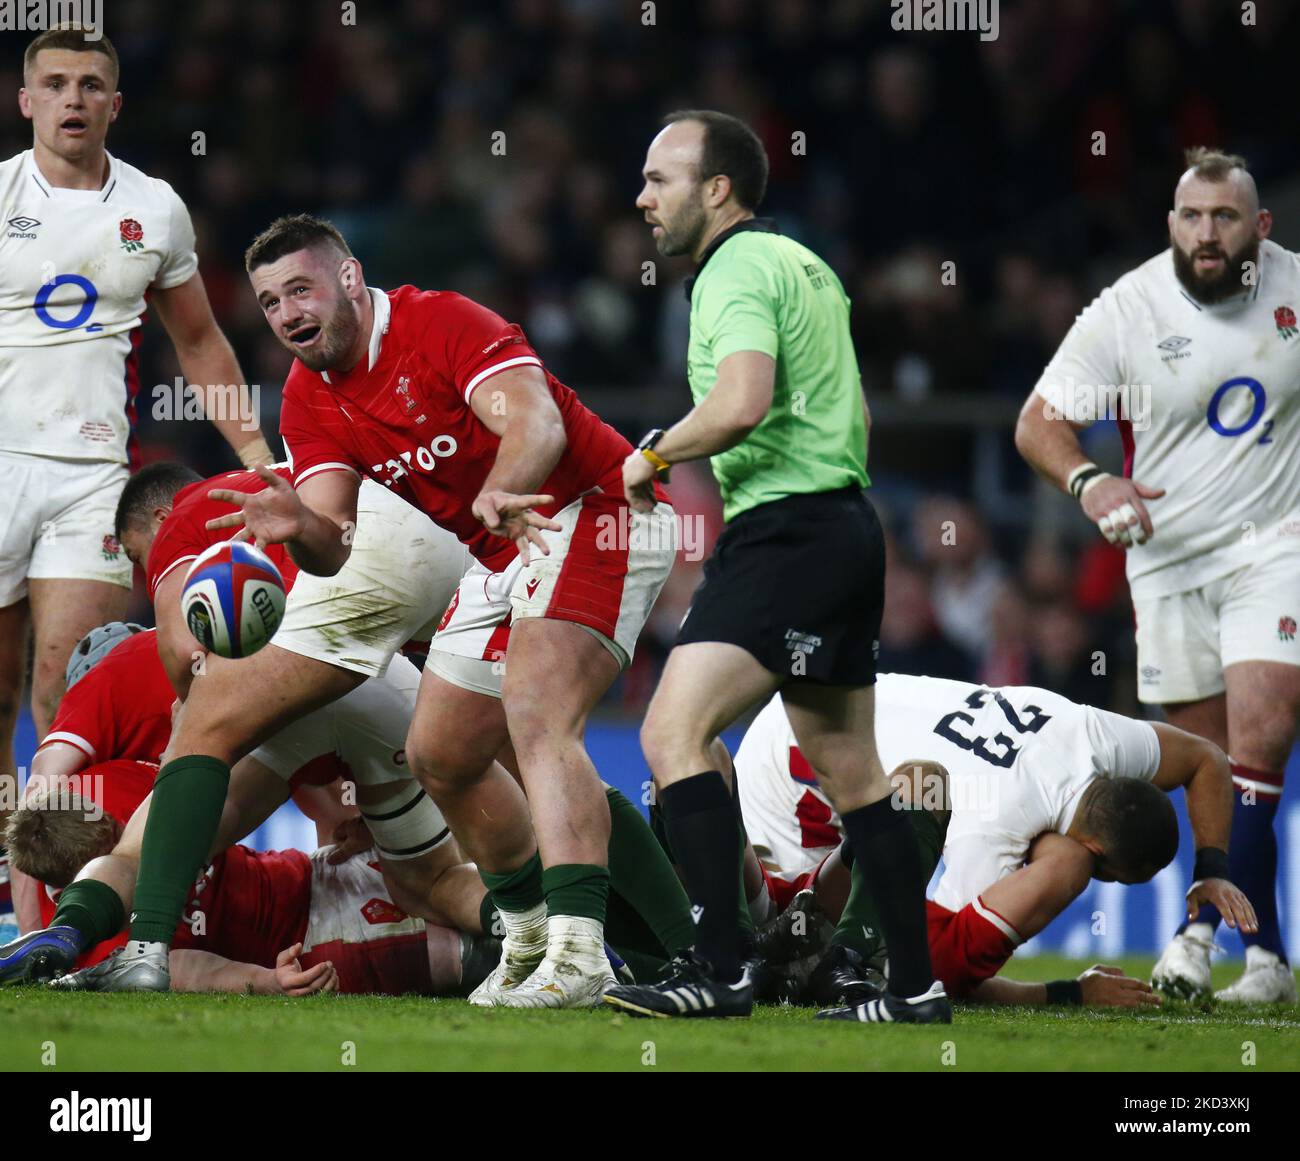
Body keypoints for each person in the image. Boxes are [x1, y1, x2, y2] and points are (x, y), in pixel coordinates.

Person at [217, 214, 677, 1008]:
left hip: (598, 508)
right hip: (504, 550)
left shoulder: (440, 321)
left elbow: (539, 420)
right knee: (440, 753)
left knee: (536, 711)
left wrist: (503, 482)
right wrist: (301, 530)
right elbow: (335, 542)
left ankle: (581, 954)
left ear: (351, 278)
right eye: (269, 302)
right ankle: (529, 936)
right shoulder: (307, 395)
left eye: (301, 288)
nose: (288, 313)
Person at [604, 110, 943, 1023]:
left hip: (786, 533)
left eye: (659, 179)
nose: (642, 198)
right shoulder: (808, 267)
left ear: (717, 190)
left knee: (671, 733)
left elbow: (742, 401)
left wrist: (652, 455)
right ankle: (914, 989)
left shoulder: (735, 269)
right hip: (846, 527)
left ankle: (720, 971)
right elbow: (857, 415)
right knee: (850, 767)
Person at [1015, 147, 1300, 1002]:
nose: (1206, 234)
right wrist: (1090, 479)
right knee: (1211, 763)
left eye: (1223, 217)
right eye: (1190, 217)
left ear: (1261, 225)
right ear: (1170, 223)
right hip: (1168, 560)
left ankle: (1200, 932)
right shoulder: (1128, 309)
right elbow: (1039, 422)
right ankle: (1269, 961)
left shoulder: (1296, 290)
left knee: (1261, 737)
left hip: (1276, 547)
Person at [0, 27, 272, 797]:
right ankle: (2, 863)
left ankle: (59, 887)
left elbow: (199, 340)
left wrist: (257, 456)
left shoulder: (154, 209)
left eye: (89, 85)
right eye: (53, 84)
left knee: (67, 688)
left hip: (91, 477)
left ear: (114, 105)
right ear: (26, 102)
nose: (72, 99)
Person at [733, 673, 1254, 1010]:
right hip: (794, 774)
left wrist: (1212, 868)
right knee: (837, 970)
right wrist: (1067, 994)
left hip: (826, 703)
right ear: (1097, 859)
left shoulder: (1094, 732)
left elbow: (1205, 757)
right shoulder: (997, 825)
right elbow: (936, 970)